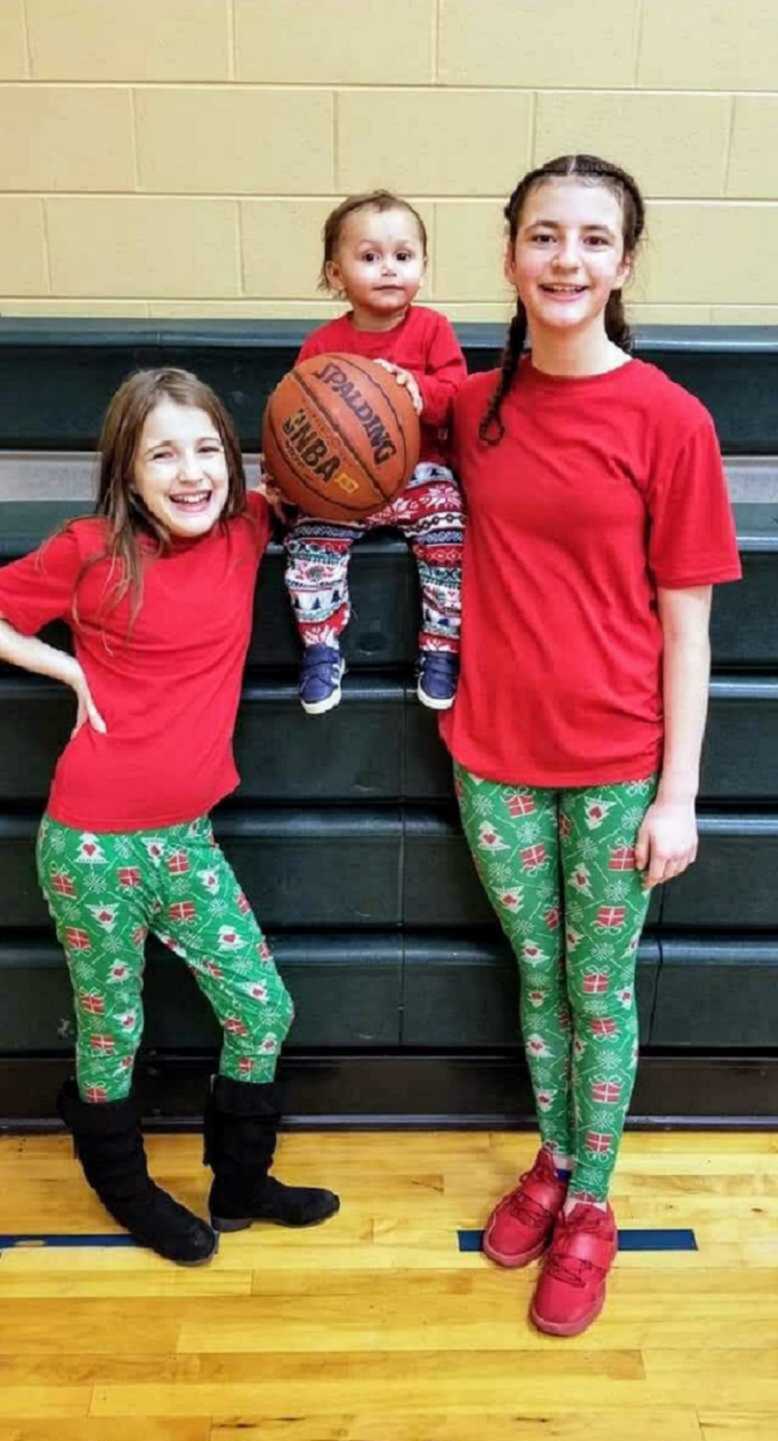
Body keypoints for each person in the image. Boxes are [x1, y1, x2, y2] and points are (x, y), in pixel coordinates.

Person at [439, 154, 741, 1336]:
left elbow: (691, 626)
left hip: (619, 765)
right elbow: (348, 444)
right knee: (538, 976)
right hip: (492, 759)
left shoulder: (669, 418)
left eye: (592, 240)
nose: (566, 260)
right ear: (510, 252)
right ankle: (553, 1161)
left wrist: (682, 793)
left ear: (623, 263)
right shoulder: (472, 406)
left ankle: (594, 1203)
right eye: (544, 235)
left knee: (598, 989)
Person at [0, 367, 339, 1264]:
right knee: (113, 1029)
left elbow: (344, 469)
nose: (189, 473)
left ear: (230, 461)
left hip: (187, 842)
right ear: (127, 472)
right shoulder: (87, 550)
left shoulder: (246, 530)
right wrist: (68, 670)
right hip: (92, 848)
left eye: (204, 450)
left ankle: (239, 1183)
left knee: (262, 1009)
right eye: (162, 454)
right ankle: (126, 1191)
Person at [281, 189, 467, 715]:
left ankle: (441, 648)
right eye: (369, 257)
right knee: (308, 546)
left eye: (403, 257)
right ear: (335, 274)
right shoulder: (322, 344)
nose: (389, 269)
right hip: (343, 485)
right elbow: (293, 424)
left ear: (423, 267)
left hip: (421, 474)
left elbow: (457, 398)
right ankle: (321, 646)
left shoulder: (433, 330)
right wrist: (282, 477)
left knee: (451, 541)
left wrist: (416, 390)